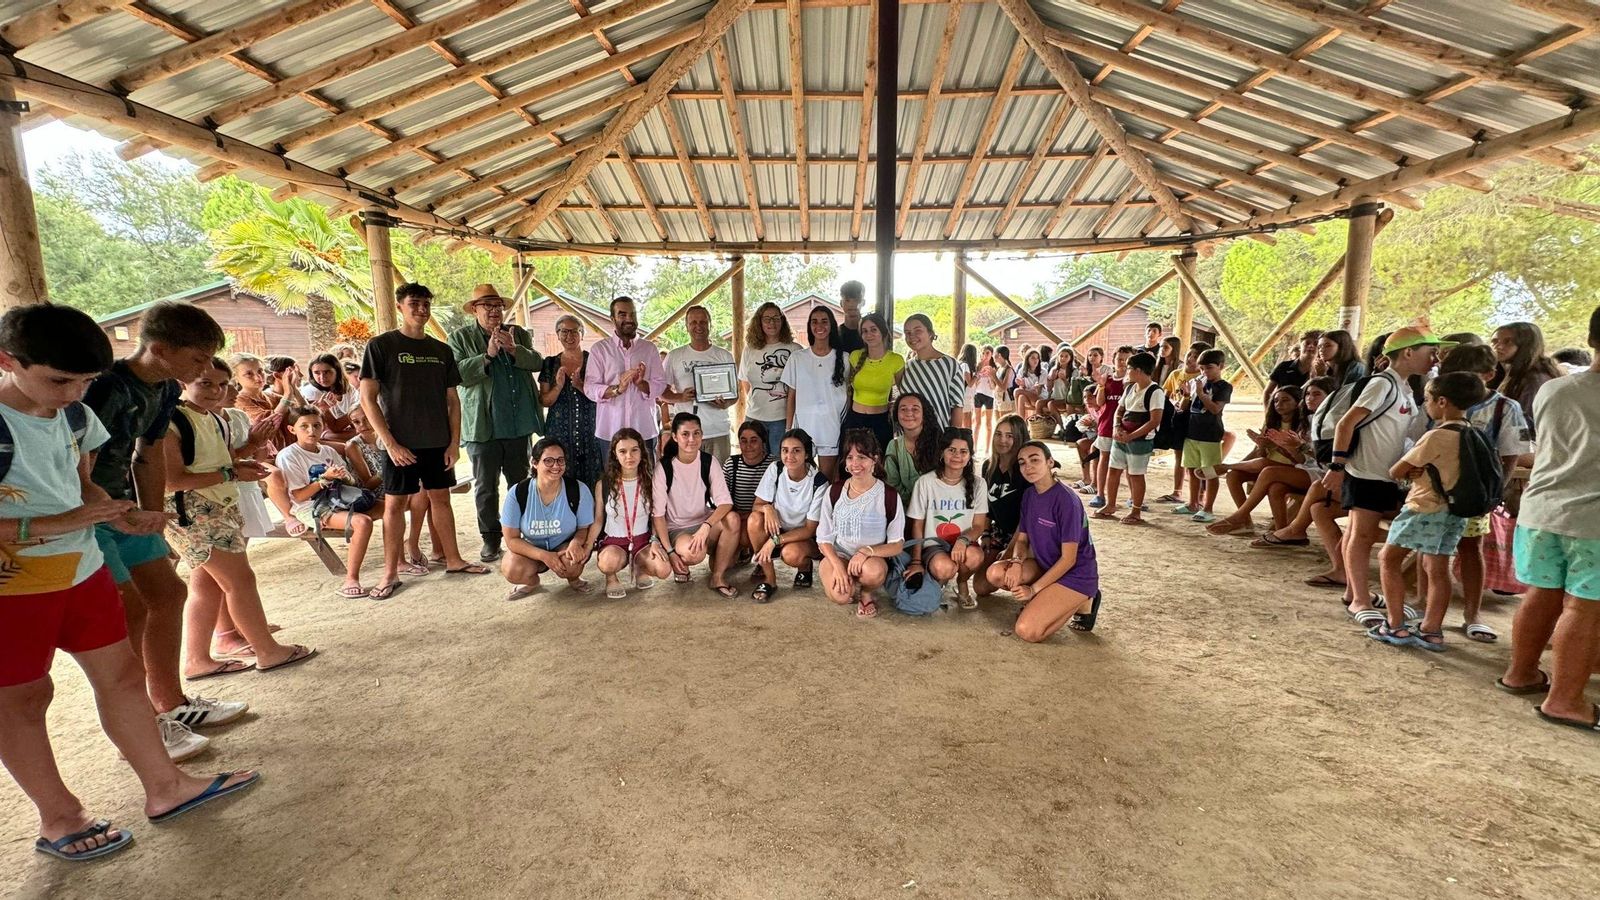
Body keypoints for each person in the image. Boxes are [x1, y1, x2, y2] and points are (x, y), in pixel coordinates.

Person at [0, 304, 258, 862]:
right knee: (22, 698)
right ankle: (60, 817)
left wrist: (121, 513)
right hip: (14, 584)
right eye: (60, 381)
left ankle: (166, 786)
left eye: (85, 381)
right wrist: (55, 524)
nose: (75, 393)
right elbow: (62, 509)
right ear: (8, 361)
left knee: (121, 675)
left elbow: (83, 483)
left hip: (81, 565)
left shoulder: (75, 414)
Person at [82, 300, 242, 760]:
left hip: (128, 509)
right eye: (197, 359)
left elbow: (147, 454)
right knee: (129, 611)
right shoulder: (107, 387)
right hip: (92, 512)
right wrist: (107, 511)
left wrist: (153, 517)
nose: (204, 369)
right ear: (159, 349)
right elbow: (80, 462)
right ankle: (139, 725)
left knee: (169, 594)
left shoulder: (166, 390)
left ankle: (172, 703)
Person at [166, 359, 316, 676]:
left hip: (219, 505)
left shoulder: (214, 418)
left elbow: (220, 459)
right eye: (206, 383)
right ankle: (267, 650)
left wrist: (250, 448)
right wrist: (231, 473)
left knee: (208, 584)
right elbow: (172, 480)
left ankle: (197, 659)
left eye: (222, 384)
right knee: (240, 581)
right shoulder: (171, 422)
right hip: (194, 511)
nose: (216, 391)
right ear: (183, 383)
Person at [1498, 306, 1600, 731]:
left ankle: (1520, 673)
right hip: (1592, 520)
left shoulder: (1554, 390)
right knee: (1584, 607)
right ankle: (1565, 700)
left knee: (1541, 593)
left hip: (1542, 509)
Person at [360, 282, 488, 601]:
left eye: (426, 304)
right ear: (400, 306)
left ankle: (453, 559)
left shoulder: (441, 350)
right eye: (414, 303)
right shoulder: (381, 346)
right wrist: (390, 443)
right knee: (395, 505)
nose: (421, 309)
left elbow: (453, 401)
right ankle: (390, 572)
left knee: (441, 499)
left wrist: (454, 443)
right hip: (399, 444)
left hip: (437, 441)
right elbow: (367, 398)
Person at [1322, 323, 1446, 624]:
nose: (1435, 359)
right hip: (1366, 471)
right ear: (1408, 353)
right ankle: (1360, 600)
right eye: (1430, 352)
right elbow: (1346, 423)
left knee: (1357, 533)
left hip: (1382, 472)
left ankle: (1354, 592)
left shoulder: (1403, 387)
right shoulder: (1383, 384)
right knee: (1361, 536)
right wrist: (1337, 466)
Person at [1370, 372, 1489, 651]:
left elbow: (1396, 470)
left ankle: (1395, 625)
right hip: (1455, 511)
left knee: (1388, 559)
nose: (1426, 405)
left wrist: (1413, 470)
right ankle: (1432, 630)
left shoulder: (1436, 436)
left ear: (1442, 402)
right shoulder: (1474, 434)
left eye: (1427, 399)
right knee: (1438, 568)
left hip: (1424, 507)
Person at [1435, 344, 1531, 641]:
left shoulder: (1505, 408)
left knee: (1470, 548)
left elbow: (1511, 454)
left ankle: (1472, 613)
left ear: (1489, 375)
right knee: (1430, 549)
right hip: (1435, 491)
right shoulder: (1439, 400)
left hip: (1474, 493)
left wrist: (1494, 493)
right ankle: (1425, 605)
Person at [448, 283, 544, 564]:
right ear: (474, 310)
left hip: (517, 425)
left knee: (521, 483)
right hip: (482, 428)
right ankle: (491, 539)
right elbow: (457, 374)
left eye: (498, 306)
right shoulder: (460, 338)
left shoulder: (518, 333)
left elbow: (537, 363)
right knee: (486, 487)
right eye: (487, 306)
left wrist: (514, 350)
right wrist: (487, 355)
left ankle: (523, 534)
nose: (494, 311)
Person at [985, 441, 1102, 641]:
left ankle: (1084, 600)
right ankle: (1050, 597)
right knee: (996, 573)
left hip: (1075, 574)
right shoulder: (1029, 495)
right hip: (1045, 565)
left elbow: (1069, 559)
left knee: (1027, 630)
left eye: (1035, 460)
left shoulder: (1067, 501)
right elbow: (1022, 540)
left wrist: (1033, 590)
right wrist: (1016, 562)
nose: (1028, 467)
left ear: (1050, 462)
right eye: (1022, 462)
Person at [276, 407, 381, 600]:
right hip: (312, 506)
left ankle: (399, 562)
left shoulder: (328, 451)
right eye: (304, 426)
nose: (311, 431)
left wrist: (344, 476)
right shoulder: (288, 455)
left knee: (391, 507)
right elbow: (299, 497)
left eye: (316, 425)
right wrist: (324, 479)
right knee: (362, 522)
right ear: (292, 430)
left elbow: (351, 483)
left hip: (340, 497)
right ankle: (351, 580)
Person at [1212, 379, 1330, 537]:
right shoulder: (1306, 421)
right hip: (1302, 469)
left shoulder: (1324, 422)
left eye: (1316, 394)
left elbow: (1327, 458)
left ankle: (1240, 514)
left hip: (1322, 473)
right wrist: (1263, 446)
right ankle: (1279, 533)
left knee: (1268, 470)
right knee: (1270, 484)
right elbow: (1301, 460)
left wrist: (1289, 447)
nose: (1310, 398)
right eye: (1308, 394)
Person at [815, 429, 906, 619]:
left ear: (875, 460)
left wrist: (867, 551)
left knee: (873, 572)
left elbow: (897, 544)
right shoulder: (835, 491)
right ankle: (848, 581)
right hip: (839, 554)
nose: (855, 463)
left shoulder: (888, 495)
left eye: (862, 457)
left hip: (871, 559)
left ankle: (866, 592)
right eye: (850, 458)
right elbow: (823, 538)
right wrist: (837, 566)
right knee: (840, 596)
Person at [499, 437, 594, 601]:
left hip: (563, 544)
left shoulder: (578, 489)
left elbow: (583, 528)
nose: (556, 466)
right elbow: (511, 539)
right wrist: (544, 555)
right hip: (532, 547)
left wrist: (576, 543)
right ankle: (531, 582)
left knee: (573, 562)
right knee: (512, 569)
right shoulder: (518, 492)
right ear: (534, 463)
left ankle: (574, 578)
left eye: (560, 460)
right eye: (548, 461)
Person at [656, 413, 739, 597]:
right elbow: (658, 515)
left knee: (733, 519)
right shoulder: (664, 467)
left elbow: (725, 503)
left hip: (703, 523)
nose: (691, 439)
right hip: (677, 529)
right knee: (694, 553)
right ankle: (685, 561)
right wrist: (670, 552)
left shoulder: (709, 461)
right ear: (675, 437)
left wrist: (706, 526)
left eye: (696, 433)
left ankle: (718, 576)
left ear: (702, 435)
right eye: (685, 434)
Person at [584, 428, 672, 600]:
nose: (629, 456)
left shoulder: (651, 481)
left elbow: (657, 516)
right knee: (608, 562)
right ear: (615, 454)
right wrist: (587, 546)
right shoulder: (604, 484)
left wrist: (655, 540)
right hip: (614, 542)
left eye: (634, 450)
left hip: (643, 541)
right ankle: (611, 578)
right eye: (622, 451)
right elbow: (598, 520)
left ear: (642, 452)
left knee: (663, 569)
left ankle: (640, 567)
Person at [907, 428, 990, 609]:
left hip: (964, 542)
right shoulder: (926, 482)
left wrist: (963, 539)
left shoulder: (978, 484)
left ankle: (962, 582)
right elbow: (918, 525)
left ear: (970, 456)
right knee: (944, 568)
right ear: (942, 452)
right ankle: (939, 581)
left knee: (975, 557)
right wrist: (916, 561)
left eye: (963, 451)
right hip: (934, 544)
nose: (957, 456)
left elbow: (978, 525)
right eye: (951, 450)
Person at [584, 295, 669, 465]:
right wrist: (617, 389)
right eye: (622, 314)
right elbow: (590, 388)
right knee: (613, 479)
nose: (629, 319)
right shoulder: (600, 350)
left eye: (632, 314)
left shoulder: (649, 349)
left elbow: (660, 384)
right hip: (610, 431)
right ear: (612, 319)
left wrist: (641, 384)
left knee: (646, 477)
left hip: (644, 430)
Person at [748, 428, 828, 602]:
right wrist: (767, 508)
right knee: (754, 520)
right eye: (785, 450)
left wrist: (773, 541)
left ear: (807, 454)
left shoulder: (819, 482)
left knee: (791, 554)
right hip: (778, 529)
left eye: (796, 450)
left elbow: (809, 530)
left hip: (804, 538)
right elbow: (756, 506)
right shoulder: (776, 469)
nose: (789, 456)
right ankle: (769, 580)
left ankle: (805, 566)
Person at [1096, 351, 1164, 525]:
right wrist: (1117, 428)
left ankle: (1136, 511)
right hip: (1122, 437)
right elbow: (1119, 411)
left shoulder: (1155, 391)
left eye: (1129, 368)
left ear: (1139, 371)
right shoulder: (1129, 388)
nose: (1127, 372)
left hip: (1140, 440)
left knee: (1136, 475)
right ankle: (1111, 504)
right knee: (1114, 470)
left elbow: (1154, 420)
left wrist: (1132, 436)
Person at [661, 305, 738, 460]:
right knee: (685, 475)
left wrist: (725, 404)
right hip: (685, 433)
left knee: (717, 474)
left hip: (717, 430)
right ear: (686, 326)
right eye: (693, 322)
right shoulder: (674, 356)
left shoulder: (724, 356)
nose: (698, 326)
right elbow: (662, 393)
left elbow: (734, 395)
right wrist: (681, 397)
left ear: (710, 324)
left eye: (703, 322)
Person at [783, 306, 849, 478]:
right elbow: (791, 396)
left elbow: (850, 394)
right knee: (802, 478)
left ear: (831, 325)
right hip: (803, 427)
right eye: (814, 322)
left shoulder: (845, 358)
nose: (819, 326)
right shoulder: (797, 358)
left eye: (824, 321)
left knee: (825, 480)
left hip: (831, 428)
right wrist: (788, 429)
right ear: (809, 326)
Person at [539, 314, 600, 488]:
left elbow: (603, 397)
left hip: (591, 430)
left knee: (593, 478)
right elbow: (545, 400)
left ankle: (592, 507)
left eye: (574, 331)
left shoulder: (594, 361)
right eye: (564, 331)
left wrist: (580, 386)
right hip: (559, 432)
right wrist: (558, 386)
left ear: (582, 334)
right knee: (560, 478)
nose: (569, 336)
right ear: (557, 335)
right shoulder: (550, 363)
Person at [1173, 348, 1231, 523]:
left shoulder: (1224, 386)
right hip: (1192, 432)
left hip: (1210, 435)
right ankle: (1193, 503)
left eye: (1209, 368)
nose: (1205, 372)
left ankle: (1208, 508)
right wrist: (1186, 395)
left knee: (1210, 472)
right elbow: (1185, 407)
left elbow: (1215, 409)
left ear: (1221, 366)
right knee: (1192, 469)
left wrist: (1201, 394)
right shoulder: (1197, 382)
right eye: (1202, 368)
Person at [974, 415, 1029, 598]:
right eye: (998, 434)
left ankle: (1035, 585)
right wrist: (986, 533)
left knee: (1001, 575)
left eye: (1009, 436)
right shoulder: (988, 466)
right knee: (981, 587)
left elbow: (1027, 518)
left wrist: (1011, 551)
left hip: (1024, 535)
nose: (1002, 440)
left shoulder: (1025, 470)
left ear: (1019, 438)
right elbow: (986, 506)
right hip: (1000, 532)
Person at [740, 301, 801, 452]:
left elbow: (798, 389)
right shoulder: (749, 350)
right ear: (759, 322)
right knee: (754, 460)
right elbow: (745, 382)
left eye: (776, 318)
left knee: (779, 462)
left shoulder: (795, 350)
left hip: (781, 420)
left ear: (782, 321)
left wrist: (789, 426)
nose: (771, 323)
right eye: (767, 319)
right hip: (753, 418)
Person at [843, 312, 904, 452]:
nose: (869, 334)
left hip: (880, 421)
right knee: (852, 462)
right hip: (854, 420)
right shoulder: (855, 356)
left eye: (873, 329)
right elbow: (847, 389)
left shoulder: (896, 360)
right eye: (864, 331)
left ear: (883, 332)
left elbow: (902, 392)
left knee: (879, 462)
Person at [1488, 321, 1562, 436]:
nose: (1498, 346)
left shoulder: (1534, 380)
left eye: (1508, 341)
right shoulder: (1500, 373)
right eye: (1494, 341)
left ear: (1526, 345)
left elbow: (1525, 425)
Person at [1155, 340, 1205, 503]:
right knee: (1179, 455)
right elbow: (1166, 396)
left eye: (1196, 357)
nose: (1190, 359)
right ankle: (1177, 491)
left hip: (1195, 420)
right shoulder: (1175, 374)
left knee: (1195, 459)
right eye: (1190, 354)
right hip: (1178, 419)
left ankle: (1199, 496)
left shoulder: (1202, 378)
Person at [897, 314, 965, 433]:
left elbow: (957, 406)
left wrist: (952, 437)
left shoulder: (949, 364)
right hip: (908, 436)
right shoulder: (906, 367)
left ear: (930, 333)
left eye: (918, 331)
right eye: (907, 333)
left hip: (939, 435)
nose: (912, 336)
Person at [1086, 347, 1130, 512]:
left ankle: (1133, 498)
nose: (1122, 362)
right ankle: (1100, 494)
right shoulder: (1108, 379)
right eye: (1119, 359)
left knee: (1128, 462)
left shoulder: (1132, 381)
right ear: (1113, 361)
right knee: (1104, 458)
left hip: (1126, 427)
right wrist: (1101, 385)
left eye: (1126, 359)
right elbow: (1099, 402)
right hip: (1106, 425)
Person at [724, 420, 775, 561]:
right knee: (720, 564)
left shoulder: (773, 465)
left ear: (763, 442)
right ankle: (743, 549)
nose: (748, 446)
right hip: (737, 518)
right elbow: (722, 500)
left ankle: (761, 560)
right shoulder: (731, 464)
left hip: (762, 519)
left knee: (748, 531)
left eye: (754, 441)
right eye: (743, 441)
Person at [884, 392, 939, 503]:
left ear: (924, 414)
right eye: (903, 409)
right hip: (905, 509)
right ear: (896, 415)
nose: (909, 413)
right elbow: (892, 486)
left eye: (915, 409)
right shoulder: (893, 446)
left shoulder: (940, 442)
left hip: (937, 507)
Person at [299, 353, 359, 443]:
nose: (322, 377)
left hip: (344, 432)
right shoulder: (311, 391)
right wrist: (356, 411)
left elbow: (357, 421)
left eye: (327, 372)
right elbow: (335, 427)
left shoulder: (349, 389)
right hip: (320, 436)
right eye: (317, 373)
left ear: (337, 371)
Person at [1266, 330, 1322, 405]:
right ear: (1300, 346)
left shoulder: (1324, 369)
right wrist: (1268, 411)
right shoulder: (1284, 366)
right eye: (1307, 343)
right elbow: (1267, 392)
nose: (1311, 346)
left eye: (1316, 344)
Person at [969, 346, 998, 451]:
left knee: (988, 423)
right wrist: (979, 375)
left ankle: (987, 449)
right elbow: (973, 384)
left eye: (987, 353)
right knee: (977, 423)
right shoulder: (978, 366)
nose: (985, 355)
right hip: (978, 394)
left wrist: (990, 377)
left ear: (991, 354)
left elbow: (994, 387)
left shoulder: (994, 368)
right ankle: (974, 448)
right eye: (983, 353)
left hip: (989, 396)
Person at [835, 280, 868, 352]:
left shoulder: (871, 333)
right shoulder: (834, 335)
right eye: (847, 300)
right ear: (841, 303)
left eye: (857, 300)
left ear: (863, 302)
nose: (852, 304)